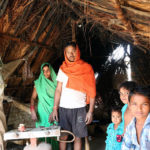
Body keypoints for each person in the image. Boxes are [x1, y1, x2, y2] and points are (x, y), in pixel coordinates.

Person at [50, 42, 96, 150]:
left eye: (73, 51)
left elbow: (92, 91)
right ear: (65, 54)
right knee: (63, 136)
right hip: (64, 109)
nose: (71, 54)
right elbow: (58, 90)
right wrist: (55, 108)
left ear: (78, 51)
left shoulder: (87, 68)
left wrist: (90, 112)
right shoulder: (62, 69)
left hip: (80, 109)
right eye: (68, 52)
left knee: (78, 138)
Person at [30, 63, 58, 150]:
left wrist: (54, 111)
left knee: (54, 135)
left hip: (53, 111)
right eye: (44, 71)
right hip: (42, 114)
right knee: (42, 135)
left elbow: (60, 98)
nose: (46, 73)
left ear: (51, 71)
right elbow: (32, 98)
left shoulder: (57, 83)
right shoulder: (38, 83)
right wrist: (33, 111)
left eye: (48, 70)